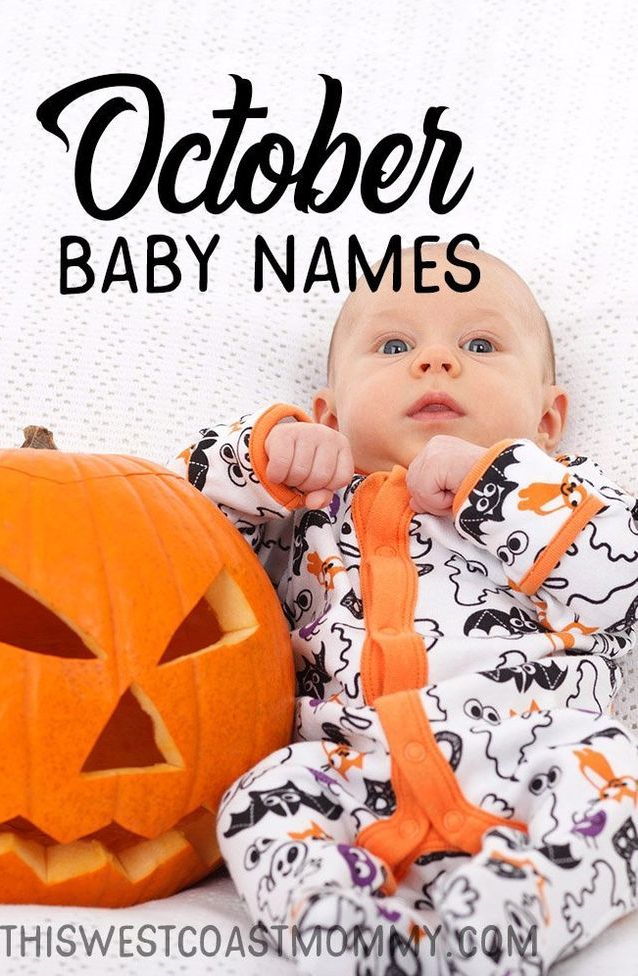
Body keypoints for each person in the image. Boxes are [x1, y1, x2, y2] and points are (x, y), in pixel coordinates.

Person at [167, 245, 638, 975]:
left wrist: (497, 486)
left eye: (478, 344)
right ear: (330, 411)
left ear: (547, 419)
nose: (436, 361)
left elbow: (620, 583)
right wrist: (266, 458)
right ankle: (342, 926)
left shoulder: (561, 492)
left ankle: (517, 912)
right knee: (259, 796)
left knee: (618, 784)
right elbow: (176, 544)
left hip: (535, 756)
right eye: (394, 345)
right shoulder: (308, 512)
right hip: (357, 771)